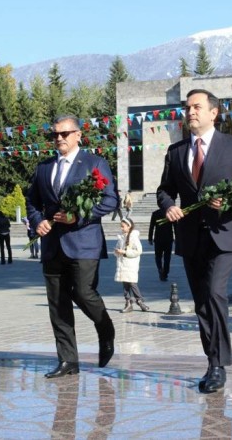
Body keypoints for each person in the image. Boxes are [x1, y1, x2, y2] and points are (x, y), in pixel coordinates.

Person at [157, 88, 232, 394]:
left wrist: (228, 200)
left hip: (224, 233)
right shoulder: (176, 152)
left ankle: (218, 364)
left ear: (214, 112)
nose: (190, 112)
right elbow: (164, 190)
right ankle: (212, 360)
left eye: (196, 107)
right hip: (189, 236)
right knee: (201, 302)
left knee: (215, 293)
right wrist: (168, 206)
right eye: (187, 108)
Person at [26, 114, 118, 379]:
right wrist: (37, 222)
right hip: (52, 244)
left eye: (64, 133)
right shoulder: (44, 167)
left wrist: (79, 216)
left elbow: (110, 199)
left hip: (84, 242)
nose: (58, 138)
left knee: (83, 292)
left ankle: (105, 328)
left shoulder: (94, 163)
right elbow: (32, 200)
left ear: (78, 134)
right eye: (54, 134)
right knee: (57, 303)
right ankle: (68, 360)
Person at [114, 218, 149, 313]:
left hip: (130, 263)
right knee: (125, 283)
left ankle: (139, 300)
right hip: (122, 263)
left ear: (129, 226)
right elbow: (118, 247)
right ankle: (128, 303)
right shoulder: (121, 237)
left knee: (132, 283)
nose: (121, 228)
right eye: (120, 226)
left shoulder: (134, 237)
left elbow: (138, 251)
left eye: (123, 226)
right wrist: (117, 251)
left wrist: (125, 252)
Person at [148, 208, 174, 282]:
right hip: (168, 238)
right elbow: (175, 226)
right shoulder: (171, 213)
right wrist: (177, 238)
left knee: (158, 256)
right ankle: (165, 273)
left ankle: (160, 269)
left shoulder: (155, 213)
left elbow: (151, 226)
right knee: (167, 257)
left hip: (158, 239)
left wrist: (150, 238)